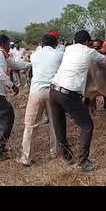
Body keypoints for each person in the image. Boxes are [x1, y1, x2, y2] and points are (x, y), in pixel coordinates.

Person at [49, 30, 106, 172]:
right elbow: (105, 58)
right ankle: (82, 162)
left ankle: (66, 157)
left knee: (59, 125)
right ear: (87, 42)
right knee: (87, 126)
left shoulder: (68, 48)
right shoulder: (89, 52)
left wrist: (100, 50)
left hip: (54, 90)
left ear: (74, 40)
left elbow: (90, 52)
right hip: (69, 93)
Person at [19, 34, 64, 166]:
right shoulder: (59, 54)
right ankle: (55, 152)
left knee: (30, 126)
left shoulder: (34, 55)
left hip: (36, 92)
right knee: (55, 124)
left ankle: (26, 158)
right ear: (56, 44)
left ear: (41, 43)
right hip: (53, 91)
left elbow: (30, 59)